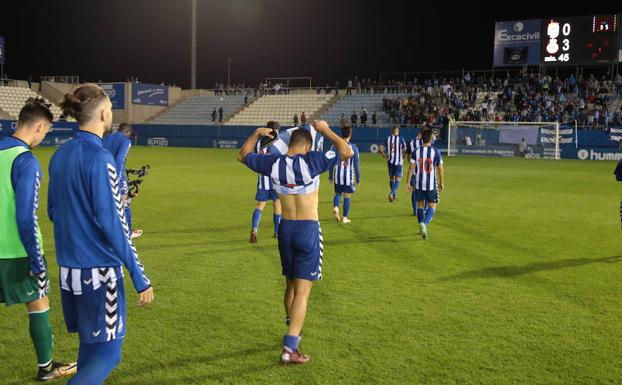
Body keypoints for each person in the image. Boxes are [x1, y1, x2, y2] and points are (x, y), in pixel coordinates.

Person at [49, 84, 154, 385]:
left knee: (90, 348)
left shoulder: (60, 154)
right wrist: (139, 275)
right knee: (109, 355)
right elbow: (113, 224)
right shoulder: (100, 158)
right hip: (98, 275)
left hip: (69, 272)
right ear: (105, 113)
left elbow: (54, 212)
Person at [237, 120, 353, 366]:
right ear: (308, 145)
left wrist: (257, 133)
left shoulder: (273, 163)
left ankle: (293, 326)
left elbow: (243, 155)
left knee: (290, 284)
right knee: (303, 290)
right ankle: (290, 348)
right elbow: (347, 151)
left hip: (285, 229)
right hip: (308, 228)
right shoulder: (313, 160)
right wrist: (324, 130)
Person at [0, 98, 77, 382]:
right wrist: (36, 258)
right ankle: (46, 368)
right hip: (16, 252)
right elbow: (25, 217)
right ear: (40, 126)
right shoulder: (26, 161)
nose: (43, 138)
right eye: (45, 133)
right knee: (38, 303)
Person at [103, 123, 142, 239]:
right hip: (117, 176)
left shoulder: (106, 138)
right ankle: (128, 232)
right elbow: (120, 159)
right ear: (127, 132)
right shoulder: (126, 141)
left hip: (103, 174)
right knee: (126, 201)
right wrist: (118, 179)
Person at [406, 129, 445, 240]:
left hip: (418, 183)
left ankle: (421, 228)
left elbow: (411, 167)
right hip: (431, 185)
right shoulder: (435, 151)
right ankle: (425, 224)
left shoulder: (416, 151)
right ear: (431, 138)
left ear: (422, 138)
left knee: (420, 206)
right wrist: (442, 182)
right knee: (432, 206)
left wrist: (408, 183)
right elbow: (440, 168)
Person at [250, 121, 282, 243]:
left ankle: (254, 229)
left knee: (260, 206)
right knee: (277, 205)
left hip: (262, 179)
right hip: (275, 179)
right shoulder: (278, 144)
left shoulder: (259, 144)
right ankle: (277, 232)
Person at [328, 126, 360, 224]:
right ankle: (345, 218)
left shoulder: (334, 146)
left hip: (337, 174)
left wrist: (330, 176)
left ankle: (336, 207)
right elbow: (356, 164)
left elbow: (330, 162)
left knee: (338, 193)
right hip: (348, 176)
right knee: (347, 195)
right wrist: (358, 177)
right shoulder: (353, 147)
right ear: (350, 134)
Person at [378, 126, 406, 202]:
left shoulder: (387, 138)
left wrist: (383, 155)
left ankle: (394, 195)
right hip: (398, 161)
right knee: (398, 178)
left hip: (390, 161)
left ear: (391, 131)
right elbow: (405, 149)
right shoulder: (401, 139)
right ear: (397, 131)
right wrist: (404, 156)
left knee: (391, 178)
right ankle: (391, 193)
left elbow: (380, 148)